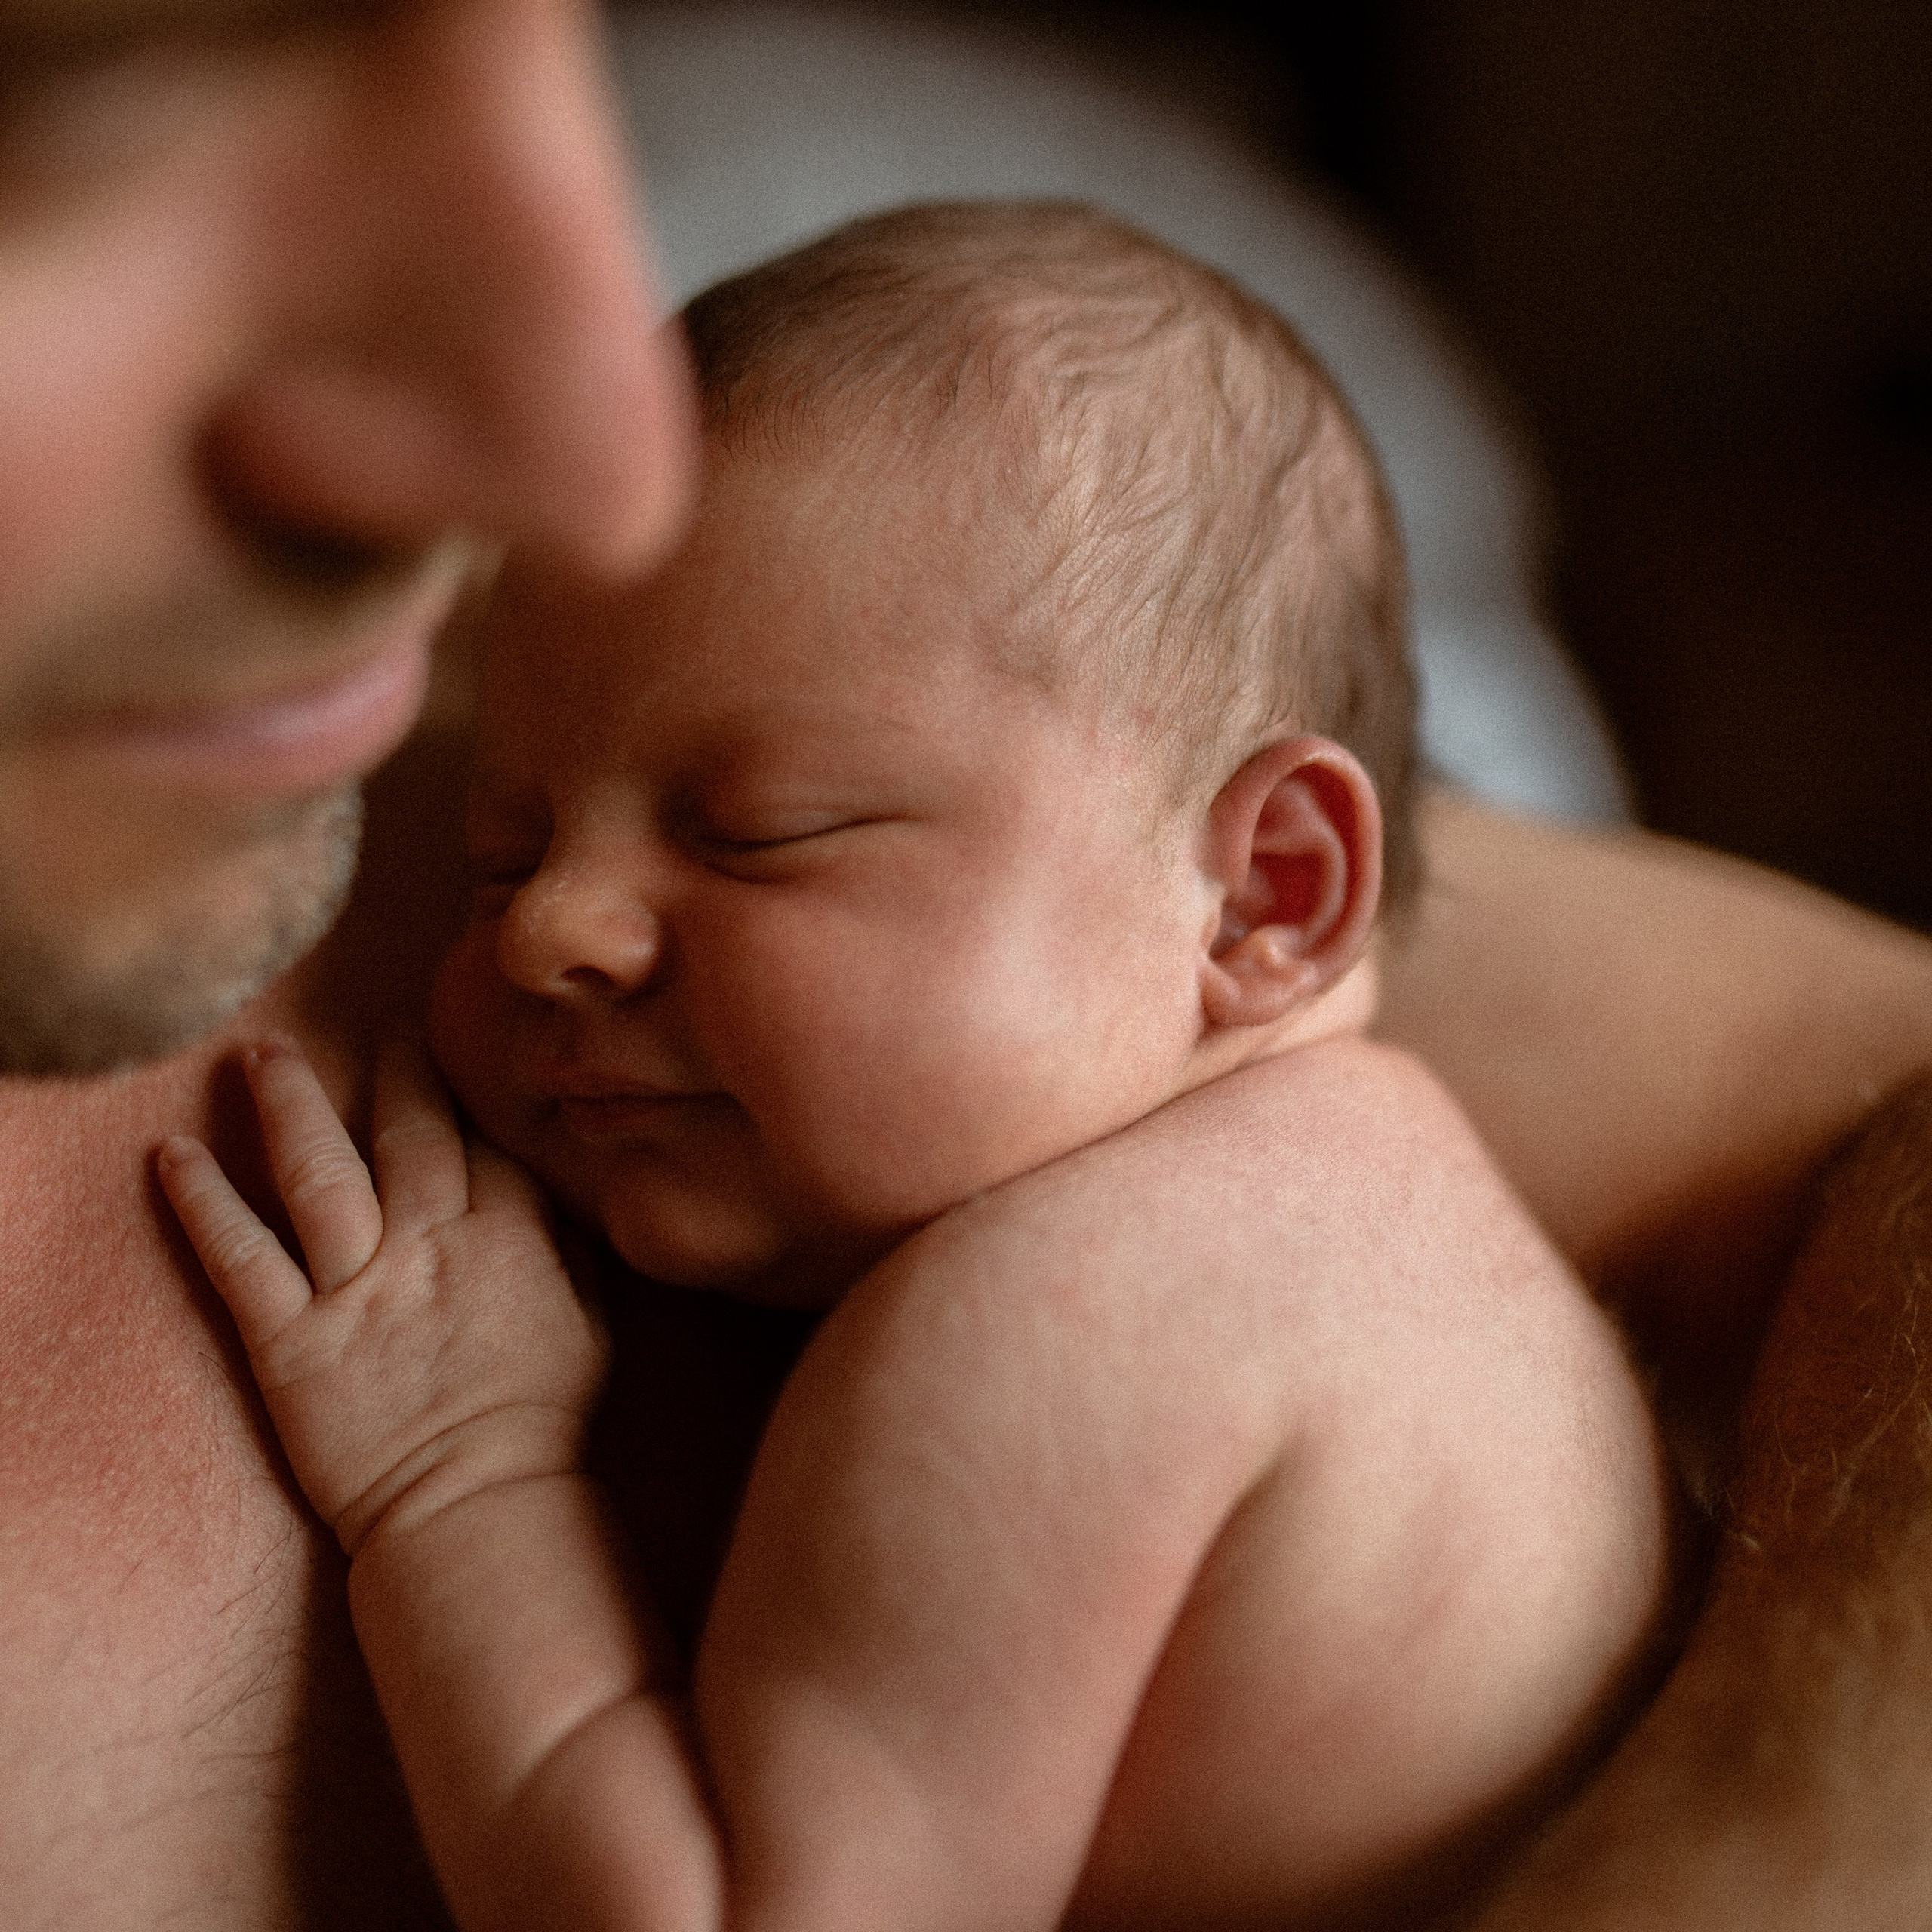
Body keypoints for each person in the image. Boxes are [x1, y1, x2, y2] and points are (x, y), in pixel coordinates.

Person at [0, 0, 1929, 1924]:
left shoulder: (1061, 1316)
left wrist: (463, 1480)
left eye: (761, 832)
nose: (544, 928)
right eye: (506, 844)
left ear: (1270, 894)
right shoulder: (1363, 1178)